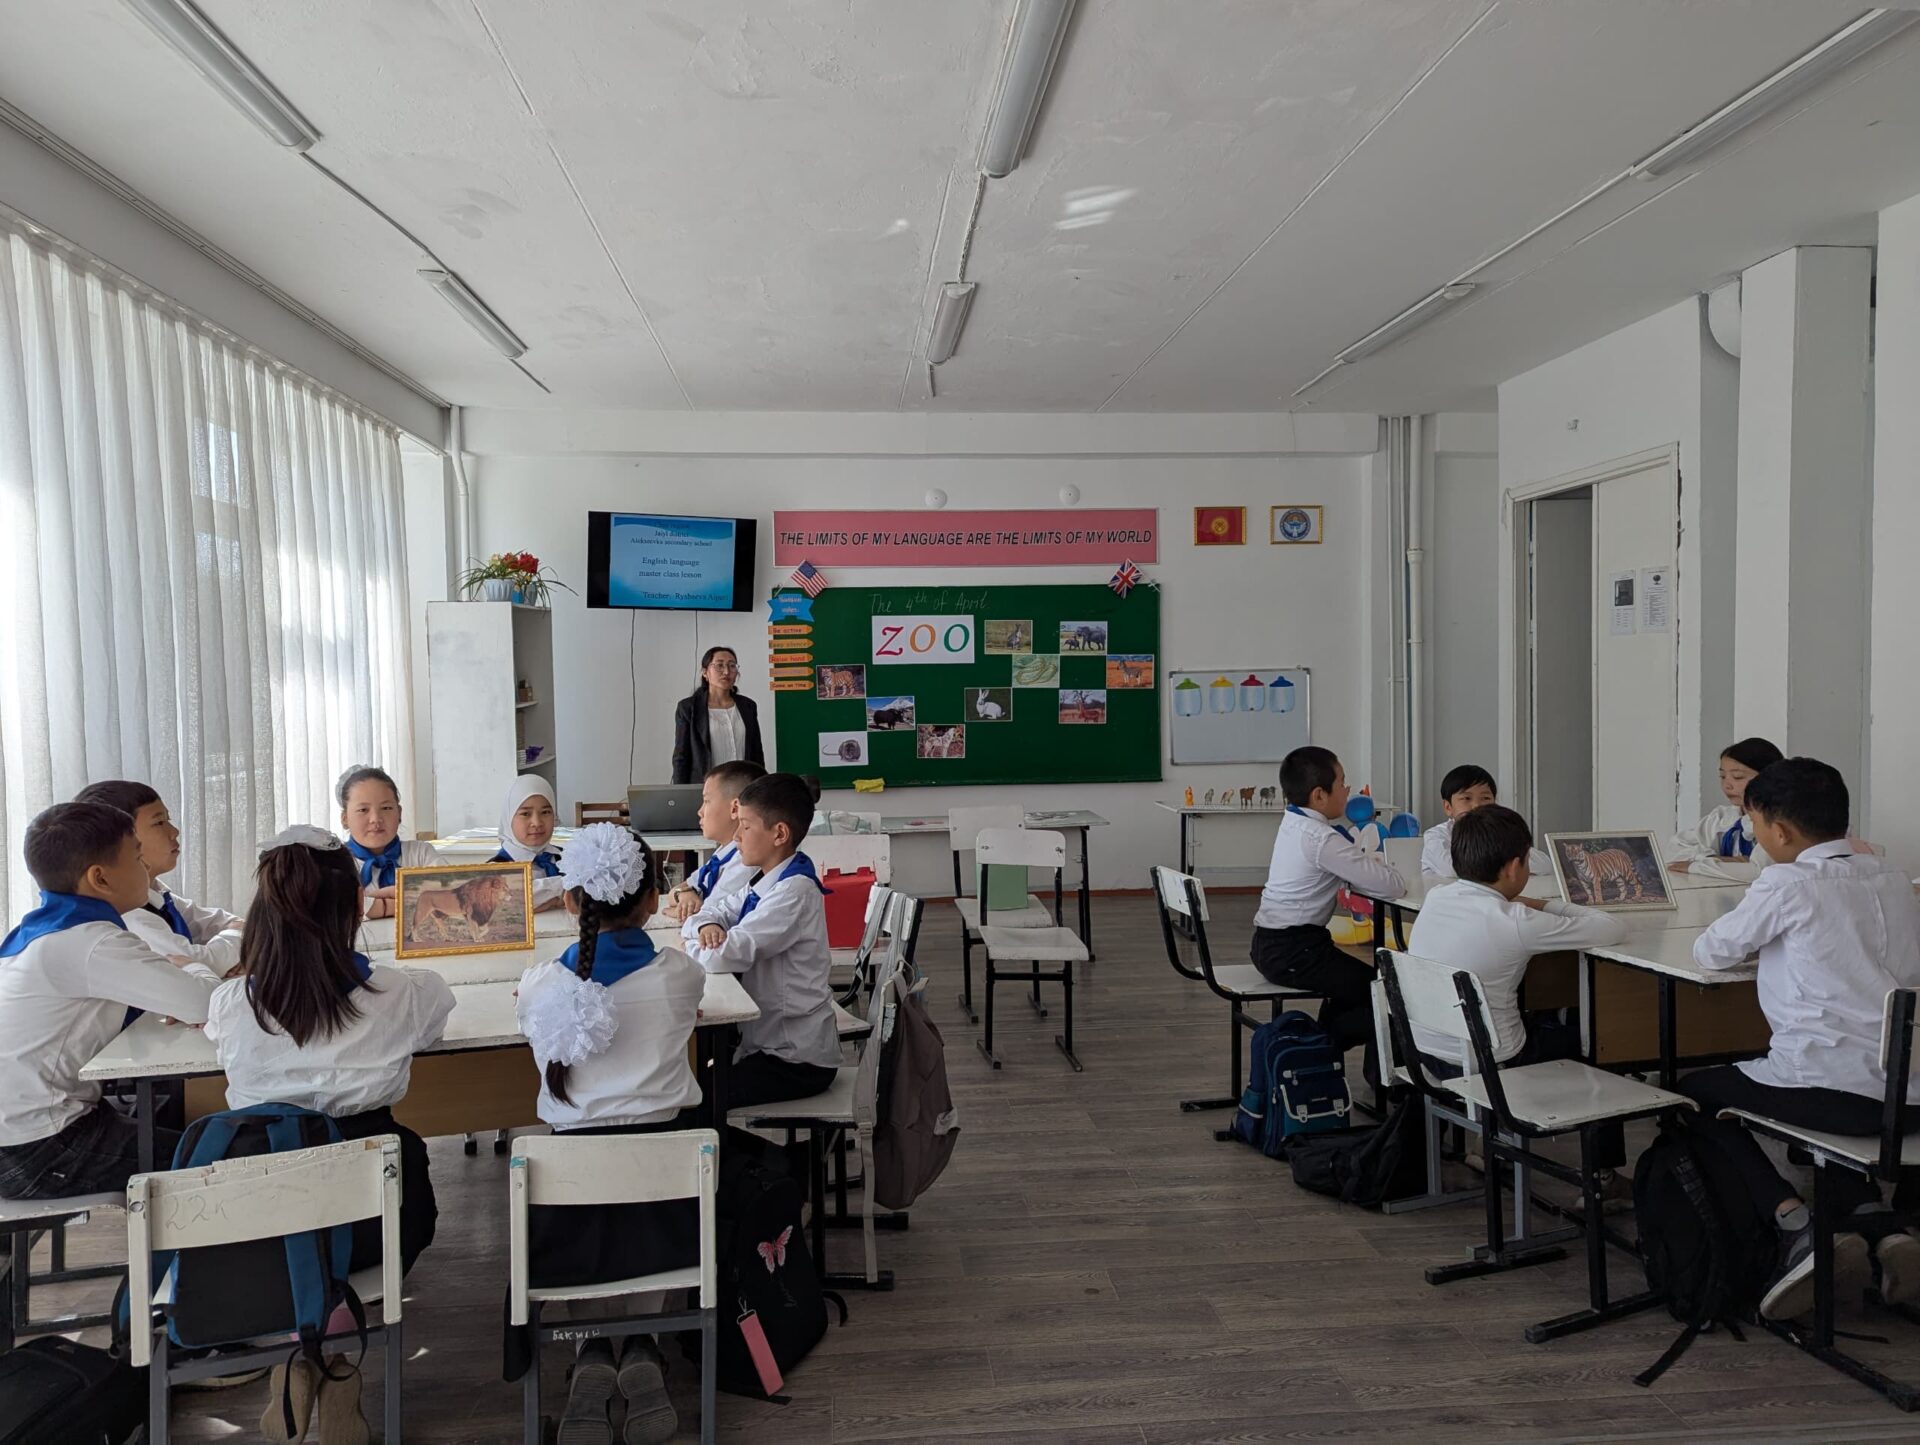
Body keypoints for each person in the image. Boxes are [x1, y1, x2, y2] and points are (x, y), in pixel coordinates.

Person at [1684, 757, 1920, 1319]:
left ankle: (1795, 1224)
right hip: (1909, 1094)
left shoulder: (1787, 882)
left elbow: (1711, 951)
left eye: (1756, 825)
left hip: (1835, 1096)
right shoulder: (1893, 877)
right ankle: (1879, 1224)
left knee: (1694, 1093)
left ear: (1781, 832)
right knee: (1830, 1064)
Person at [514, 824, 702, 1445]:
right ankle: (643, 1340)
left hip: (568, 1207)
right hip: (668, 1203)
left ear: (570, 901)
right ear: (652, 900)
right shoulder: (680, 975)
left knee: (580, 1193)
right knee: (647, 1184)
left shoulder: (543, 984)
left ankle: (591, 1345)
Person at [205, 826, 452, 1277]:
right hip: (375, 1225)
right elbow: (434, 1020)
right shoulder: (402, 993)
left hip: (263, 1224)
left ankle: (306, 1290)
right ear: (359, 904)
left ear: (262, 911)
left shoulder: (230, 1004)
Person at [0, 802, 221, 1199]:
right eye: (137, 857)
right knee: (227, 1157)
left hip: (22, 1134)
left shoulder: (44, 930)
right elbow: (207, 1002)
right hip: (40, 1148)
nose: (146, 868)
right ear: (100, 878)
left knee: (188, 1125)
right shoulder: (92, 942)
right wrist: (189, 966)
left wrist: (177, 981)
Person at [683, 773, 838, 1111]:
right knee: (688, 1081)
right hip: (764, 1044)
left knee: (692, 1099)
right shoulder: (765, 880)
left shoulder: (793, 892)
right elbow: (710, 911)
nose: (737, 836)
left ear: (779, 833)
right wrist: (706, 924)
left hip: (794, 1059)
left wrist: (696, 942)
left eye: (746, 826)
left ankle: (746, 1149)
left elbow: (722, 956)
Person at [1251, 746, 1404, 1079]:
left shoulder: (1294, 821)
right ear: (1319, 795)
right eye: (1343, 782)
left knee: (1361, 988)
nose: (1348, 791)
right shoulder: (1321, 838)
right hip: (1296, 951)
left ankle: (1323, 1051)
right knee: (1388, 993)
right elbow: (1392, 886)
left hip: (1271, 945)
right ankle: (1319, 1048)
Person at [73, 779, 244, 972]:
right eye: (159, 823)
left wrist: (233, 944)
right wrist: (235, 940)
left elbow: (216, 924)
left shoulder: (156, 894)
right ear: (122, 840)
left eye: (168, 820)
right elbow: (204, 963)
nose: (174, 832)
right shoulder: (126, 912)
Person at [1667, 736, 1784, 883]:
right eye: (1722, 776)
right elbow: (1675, 849)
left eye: (1737, 777)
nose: (1727, 785)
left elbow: (1758, 872)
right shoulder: (1723, 817)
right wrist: (1715, 859)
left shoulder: (1778, 820)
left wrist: (1696, 866)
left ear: (1768, 778)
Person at [661, 760, 762, 923]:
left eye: (707, 801)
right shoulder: (722, 854)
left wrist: (681, 908)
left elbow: (708, 914)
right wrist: (684, 894)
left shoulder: (745, 860)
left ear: (735, 809)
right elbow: (675, 892)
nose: (700, 811)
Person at [336, 764, 437, 919]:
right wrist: (399, 903)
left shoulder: (420, 854)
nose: (376, 819)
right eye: (363, 810)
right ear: (345, 819)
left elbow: (450, 896)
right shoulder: (334, 862)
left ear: (399, 813)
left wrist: (370, 905)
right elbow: (334, 910)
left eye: (386, 808)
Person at [1419, 765, 1551, 879]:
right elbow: (1451, 869)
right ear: (1448, 807)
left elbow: (1544, 865)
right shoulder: (1437, 835)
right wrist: (1505, 862)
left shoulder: (1500, 832)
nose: (1477, 805)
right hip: (1449, 899)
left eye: (1485, 798)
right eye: (1466, 798)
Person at [670, 647, 764, 784]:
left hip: (744, 786)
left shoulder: (748, 706)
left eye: (732, 666)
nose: (726, 672)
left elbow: (756, 753)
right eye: (719, 665)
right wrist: (680, 792)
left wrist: (760, 787)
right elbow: (681, 756)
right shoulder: (688, 708)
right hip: (706, 787)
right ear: (705, 672)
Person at [493, 774, 566, 911]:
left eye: (545, 812)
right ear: (508, 818)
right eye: (525, 814)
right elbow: (511, 904)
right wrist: (562, 892)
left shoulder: (567, 857)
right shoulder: (497, 868)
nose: (537, 823)